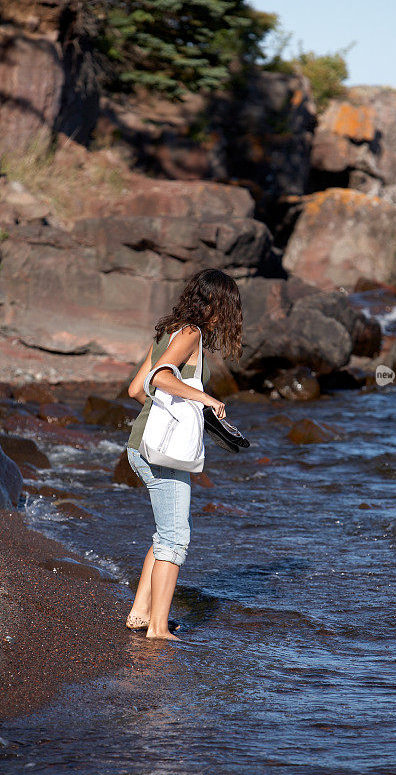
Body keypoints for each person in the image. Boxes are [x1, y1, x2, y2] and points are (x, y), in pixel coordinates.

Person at [125, 268, 243, 640]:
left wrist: (168, 412)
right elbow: (159, 377)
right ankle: (158, 629)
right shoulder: (191, 334)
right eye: (230, 307)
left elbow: (134, 389)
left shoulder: (167, 331)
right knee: (175, 538)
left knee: (165, 533)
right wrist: (204, 398)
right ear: (217, 304)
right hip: (161, 453)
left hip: (141, 446)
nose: (229, 316)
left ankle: (141, 614)